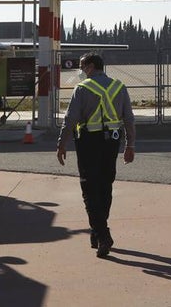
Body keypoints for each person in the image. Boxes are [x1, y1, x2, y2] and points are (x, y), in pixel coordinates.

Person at [56, 52, 136, 257]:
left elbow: (70, 119)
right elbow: (129, 119)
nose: (81, 71)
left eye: (83, 67)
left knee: (89, 189)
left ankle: (102, 234)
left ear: (91, 66)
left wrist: (61, 144)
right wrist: (130, 146)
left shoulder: (81, 89)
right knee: (105, 186)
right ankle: (97, 231)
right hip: (112, 142)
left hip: (88, 143)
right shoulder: (119, 87)